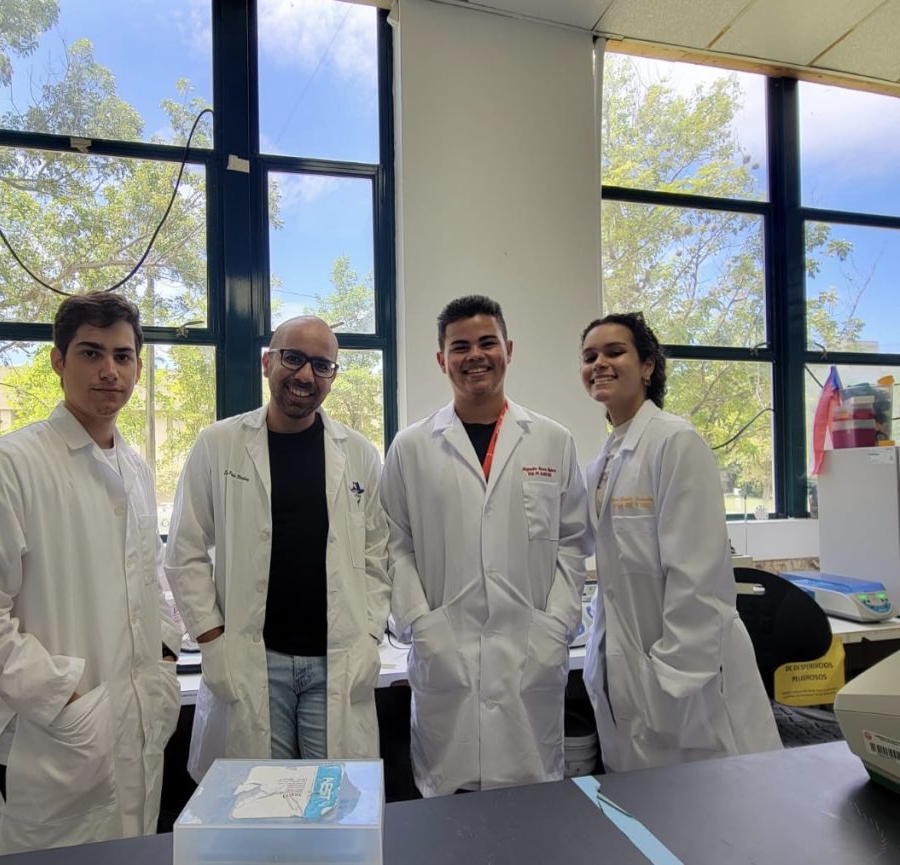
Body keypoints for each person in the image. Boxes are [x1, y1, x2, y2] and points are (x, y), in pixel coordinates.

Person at [0, 292, 181, 858]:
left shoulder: (133, 468)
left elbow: (150, 583)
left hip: (134, 733)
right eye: (91, 353)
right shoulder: (8, 467)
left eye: (123, 355)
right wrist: (64, 696)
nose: (110, 371)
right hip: (54, 743)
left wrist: (162, 656)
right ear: (58, 360)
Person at [380, 295, 591, 797]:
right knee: (448, 816)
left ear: (508, 349)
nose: (475, 355)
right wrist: (420, 624)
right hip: (444, 655)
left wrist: (557, 624)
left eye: (486, 342)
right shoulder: (411, 446)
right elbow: (393, 545)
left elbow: (572, 543)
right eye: (460, 346)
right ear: (441, 359)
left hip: (530, 655)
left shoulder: (551, 440)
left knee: (530, 812)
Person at [164, 315, 389, 780]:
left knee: (329, 803)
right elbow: (184, 551)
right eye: (293, 358)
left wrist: (369, 636)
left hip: (336, 660)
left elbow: (377, 558)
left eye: (322, 365)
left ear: (332, 377)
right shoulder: (218, 445)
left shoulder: (360, 454)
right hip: (251, 659)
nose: (306, 375)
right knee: (260, 807)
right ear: (268, 362)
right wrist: (211, 638)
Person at [579, 311, 782, 772]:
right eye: (590, 356)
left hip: (685, 677)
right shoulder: (605, 459)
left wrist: (669, 676)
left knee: (715, 815)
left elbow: (698, 575)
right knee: (651, 814)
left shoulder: (676, 442)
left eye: (615, 352)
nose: (599, 364)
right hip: (628, 665)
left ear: (647, 366)